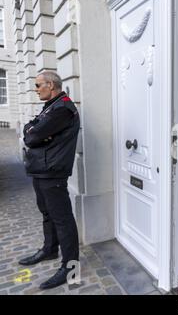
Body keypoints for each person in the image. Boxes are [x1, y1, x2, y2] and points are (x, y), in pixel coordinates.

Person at [19, 71, 80, 290]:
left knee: (63, 220)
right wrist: (33, 132)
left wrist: (34, 133)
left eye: (38, 85)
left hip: (52, 172)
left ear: (51, 85)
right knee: (47, 214)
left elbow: (32, 136)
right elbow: (30, 129)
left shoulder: (62, 108)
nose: (36, 89)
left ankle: (71, 267)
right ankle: (50, 249)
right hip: (40, 170)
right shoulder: (51, 107)